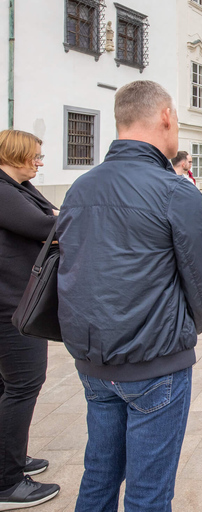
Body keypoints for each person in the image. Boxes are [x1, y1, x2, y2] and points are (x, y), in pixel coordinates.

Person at [57, 80, 202, 512]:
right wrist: (185, 330)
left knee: (99, 477)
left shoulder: (81, 186)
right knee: (148, 494)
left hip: (95, 361)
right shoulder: (174, 190)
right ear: (166, 117)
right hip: (154, 361)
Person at [0, 130, 60, 509]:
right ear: (17, 154)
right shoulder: (3, 190)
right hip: (10, 306)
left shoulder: (18, 188)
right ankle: (7, 483)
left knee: (9, 387)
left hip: (13, 298)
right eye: (35, 156)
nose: (39, 162)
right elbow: (46, 227)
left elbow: (52, 219)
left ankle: (11, 460)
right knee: (23, 385)